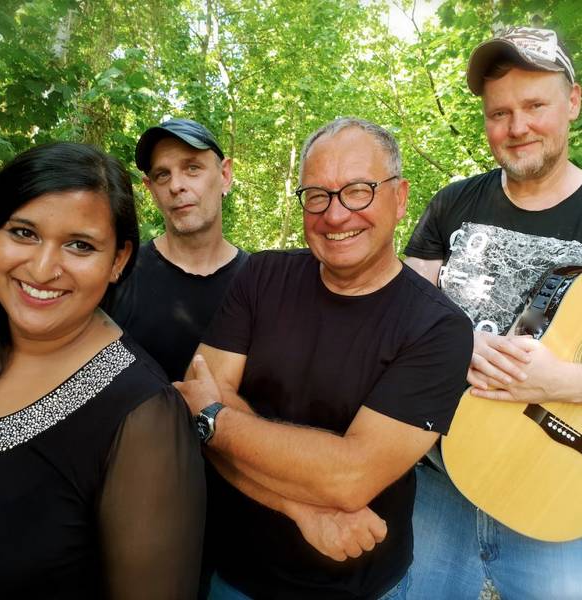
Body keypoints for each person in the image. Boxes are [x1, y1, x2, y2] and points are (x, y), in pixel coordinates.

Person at [177, 117, 473, 599]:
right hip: (236, 574)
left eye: (357, 191)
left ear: (400, 198)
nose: (335, 215)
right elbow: (197, 399)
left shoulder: (439, 328)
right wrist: (303, 509)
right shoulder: (261, 276)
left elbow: (351, 477)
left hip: (361, 585)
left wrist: (216, 420)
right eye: (317, 195)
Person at [0, 142, 205, 599]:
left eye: (79, 245)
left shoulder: (143, 416)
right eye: (23, 233)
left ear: (118, 260)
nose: (42, 268)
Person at [404, 26, 582, 600]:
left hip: (559, 490)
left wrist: (559, 381)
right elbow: (396, 318)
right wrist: (454, 346)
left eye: (534, 106)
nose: (516, 126)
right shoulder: (452, 203)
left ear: (573, 102)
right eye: (499, 113)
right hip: (437, 482)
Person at [103, 118, 248, 381]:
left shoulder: (258, 282)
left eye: (192, 168)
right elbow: (84, 382)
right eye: (162, 174)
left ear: (225, 175)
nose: (175, 185)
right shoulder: (120, 276)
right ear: (151, 189)